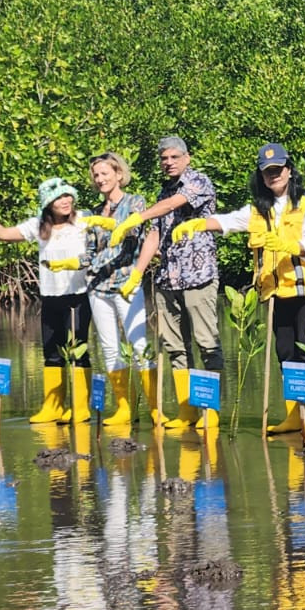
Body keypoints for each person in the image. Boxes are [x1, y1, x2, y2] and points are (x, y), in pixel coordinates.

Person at [173, 143, 305, 434]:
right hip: (276, 292)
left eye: (278, 170)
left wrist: (287, 245)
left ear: (289, 170)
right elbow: (229, 221)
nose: (274, 176)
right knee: (285, 352)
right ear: (261, 176)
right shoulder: (259, 209)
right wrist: (197, 224)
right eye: (267, 172)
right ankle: (295, 416)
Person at [0, 179, 93, 424]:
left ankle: (80, 407)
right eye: (58, 198)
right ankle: (53, 407)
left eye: (68, 196)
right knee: (52, 352)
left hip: (78, 296)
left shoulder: (85, 220)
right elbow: (3, 235)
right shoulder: (38, 225)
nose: (65, 201)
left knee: (78, 351)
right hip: (50, 298)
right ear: (47, 203)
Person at [111, 136, 222, 430]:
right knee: (175, 347)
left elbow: (177, 203)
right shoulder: (162, 192)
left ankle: (211, 410)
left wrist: (136, 217)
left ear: (187, 158)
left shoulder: (199, 181)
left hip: (198, 276)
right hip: (168, 278)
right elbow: (155, 235)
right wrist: (137, 271)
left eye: (174, 157)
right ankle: (187, 411)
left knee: (206, 342)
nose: (169, 162)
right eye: (164, 158)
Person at [78, 152, 158, 426]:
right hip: (98, 288)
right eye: (96, 175)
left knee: (139, 346)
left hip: (127, 284)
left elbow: (132, 231)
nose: (100, 179)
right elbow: (89, 253)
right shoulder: (93, 212)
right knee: (110, 349)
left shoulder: (135, 202)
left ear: (119, 175)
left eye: (105, 173)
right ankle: (124, 409)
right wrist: (65, 263)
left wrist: (110, 224)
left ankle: (155, 409)